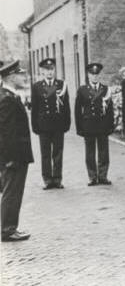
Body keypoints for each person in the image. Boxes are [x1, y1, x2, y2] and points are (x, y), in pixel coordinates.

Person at [0, 60, 33, 241]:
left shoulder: (9, 96)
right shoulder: (6, 99)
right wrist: (10, 159)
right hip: (14, 157)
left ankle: (10, 227)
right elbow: (6, 134)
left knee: (13, 191)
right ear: (11, 77)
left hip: (16, 155)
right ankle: (7, 229)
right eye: (20, 74)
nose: (24, 76)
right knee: (12, 192)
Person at [31, 58, 70, 190]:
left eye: (52, 69)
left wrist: (67, 123)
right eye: (47, 70)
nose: (50, 72)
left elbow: (66, 106)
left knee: (58, 153)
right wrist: (34, 126)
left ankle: (57, 179)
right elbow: (35, 108)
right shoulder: (36, 86)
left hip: (58, 125)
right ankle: (47, 180)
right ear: (42, 71)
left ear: (54, 70)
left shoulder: (61, 85)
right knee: (45, 154)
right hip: (43, 126)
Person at [75, 63, 115, 186]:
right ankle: (92, 177)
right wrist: (79, 127)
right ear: (88, 75)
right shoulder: (82, 90)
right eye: (92, 74)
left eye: (97, 74)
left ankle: (103, 176)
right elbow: (78, 110)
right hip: (88, 125)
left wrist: (110, 125)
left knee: (103, 152)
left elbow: (110, 110)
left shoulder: (105, 89)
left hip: (102, 125)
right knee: (90, 152)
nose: (95, 77)